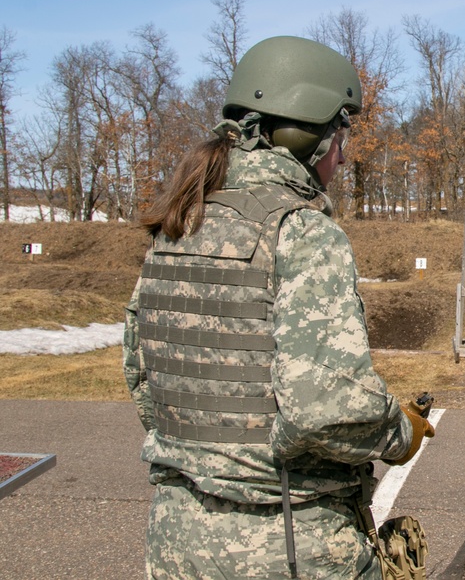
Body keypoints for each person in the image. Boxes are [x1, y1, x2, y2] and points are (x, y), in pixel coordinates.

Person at [123, 35, 435, 579]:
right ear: (306, 134)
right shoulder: (303, 232)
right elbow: (326, 409)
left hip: (177, 541)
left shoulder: (179, 225)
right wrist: (396, 431)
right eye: (340, 132)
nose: (342, 152)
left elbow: (144, 378)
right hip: (287, 543)